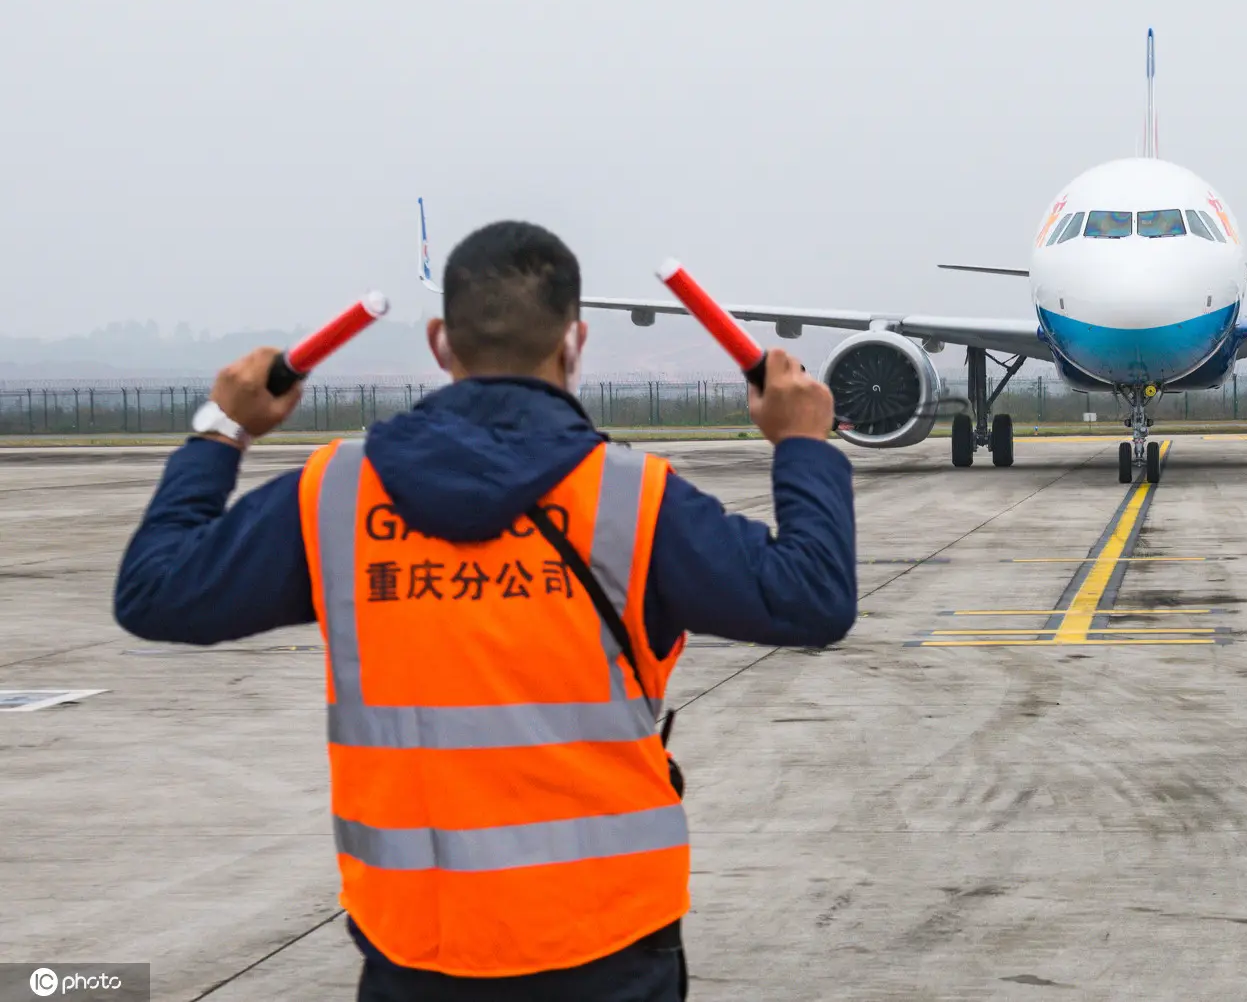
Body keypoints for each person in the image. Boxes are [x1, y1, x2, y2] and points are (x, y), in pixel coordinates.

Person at [115, 221, 856, 1002]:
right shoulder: (633, 501)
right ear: (576, 340)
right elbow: (812, 597)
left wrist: (223, 429)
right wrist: (802, 442)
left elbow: (156, 591)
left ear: (439, 342)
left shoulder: (333, 496)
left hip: (416, 951)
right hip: (609, 946)